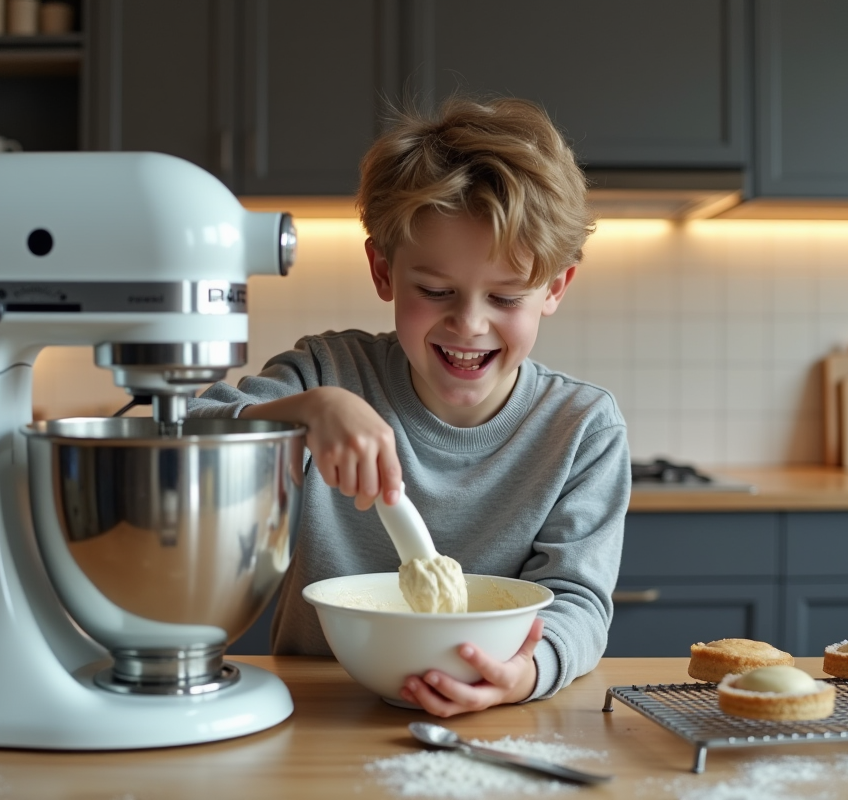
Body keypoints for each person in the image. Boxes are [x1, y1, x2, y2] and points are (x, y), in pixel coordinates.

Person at [190, 96, 630, 717]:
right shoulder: (326, 373)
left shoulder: (581, 429)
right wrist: (302, 412)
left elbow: (576, 602)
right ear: (382, 271)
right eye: (436, 290)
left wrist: (523, 674)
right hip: (319, 709)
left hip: (495, 715)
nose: (469, 323)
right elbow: (179, 432)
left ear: (554, 287)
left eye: (506, 298)